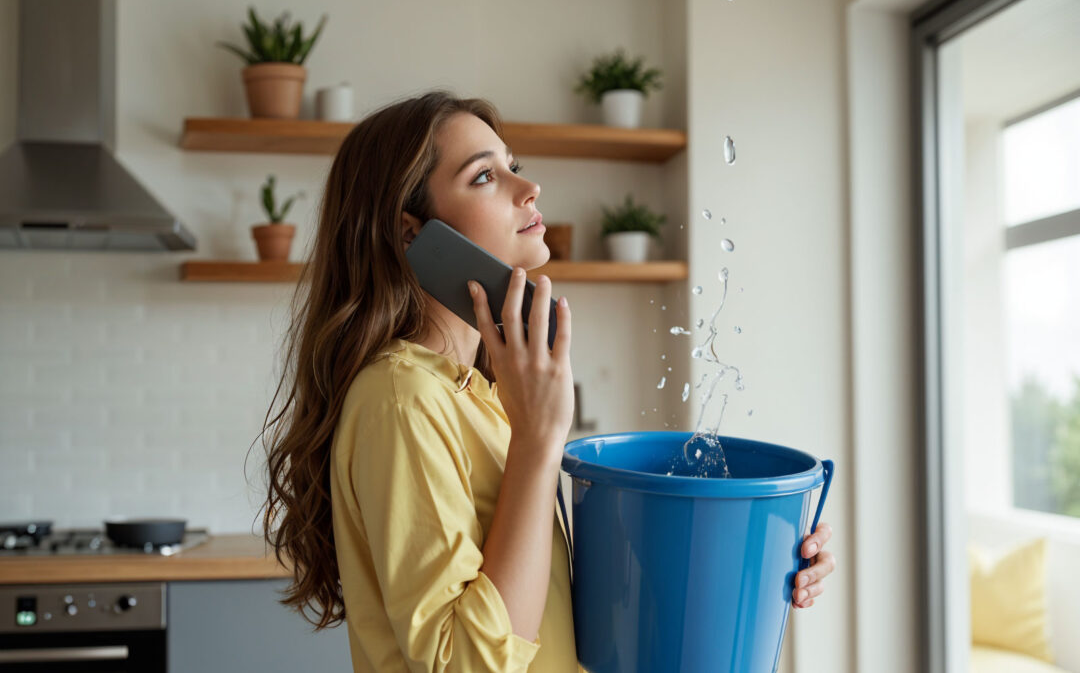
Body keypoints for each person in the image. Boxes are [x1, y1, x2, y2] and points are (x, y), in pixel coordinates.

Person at [258, 90, 836, 673]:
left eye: (513, 166)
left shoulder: (479, 396)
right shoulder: (402, 398)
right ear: (412, 234)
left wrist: (759, 555)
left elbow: (546, 611)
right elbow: (463, 663)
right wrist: (539, 440)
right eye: (485, 176)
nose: (528, 188)